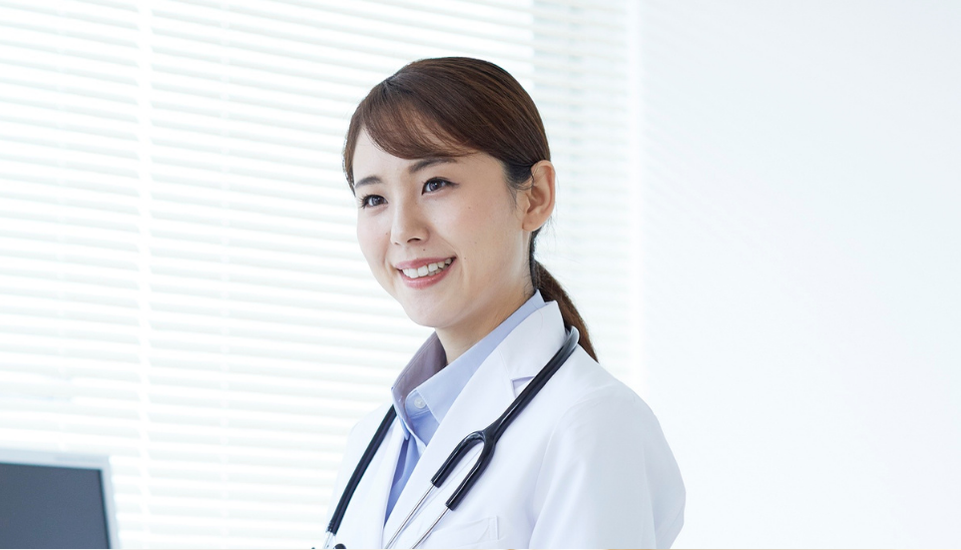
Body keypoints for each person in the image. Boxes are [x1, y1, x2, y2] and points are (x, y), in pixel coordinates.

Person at [324, 57, 685, 549]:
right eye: (374, 199)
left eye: (435, 184)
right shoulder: (372, 442)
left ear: (534, 196)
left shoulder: (591, 423)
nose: (402, 230)